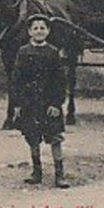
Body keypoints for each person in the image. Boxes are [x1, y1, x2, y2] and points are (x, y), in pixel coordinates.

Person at [12, 14, 70, 188]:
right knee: (33, 136)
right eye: (35, 28)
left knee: (55, 137)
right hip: (30, 103)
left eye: (42, 28)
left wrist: (56, 103)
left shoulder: (52, 52)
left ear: (48, 31)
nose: (39, 31)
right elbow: (17, 80)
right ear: (30, 32)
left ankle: (60, 175)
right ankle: (36, 172)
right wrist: (17, 104)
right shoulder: (23, 52)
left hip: (48, 103)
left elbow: (60, 80)